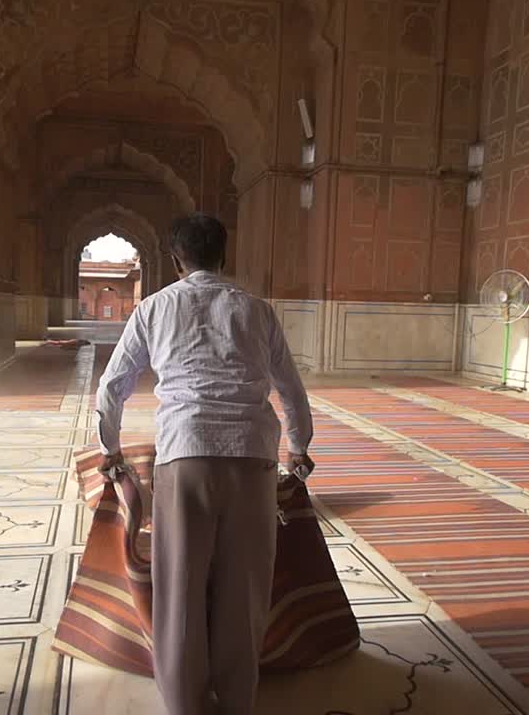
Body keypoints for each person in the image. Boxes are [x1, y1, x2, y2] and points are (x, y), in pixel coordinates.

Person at [95, 213, 315, 715]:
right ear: (224, 256)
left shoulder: (154, 307)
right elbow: (290, 389)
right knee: (244, 590)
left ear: (176, 262)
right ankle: (238, 699)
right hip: (252, 460)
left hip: (184, 457)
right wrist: (299, 446)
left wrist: (109, 446)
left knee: (181, 586)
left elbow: (114, 385)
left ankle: (184, 704)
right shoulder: (257, 311)